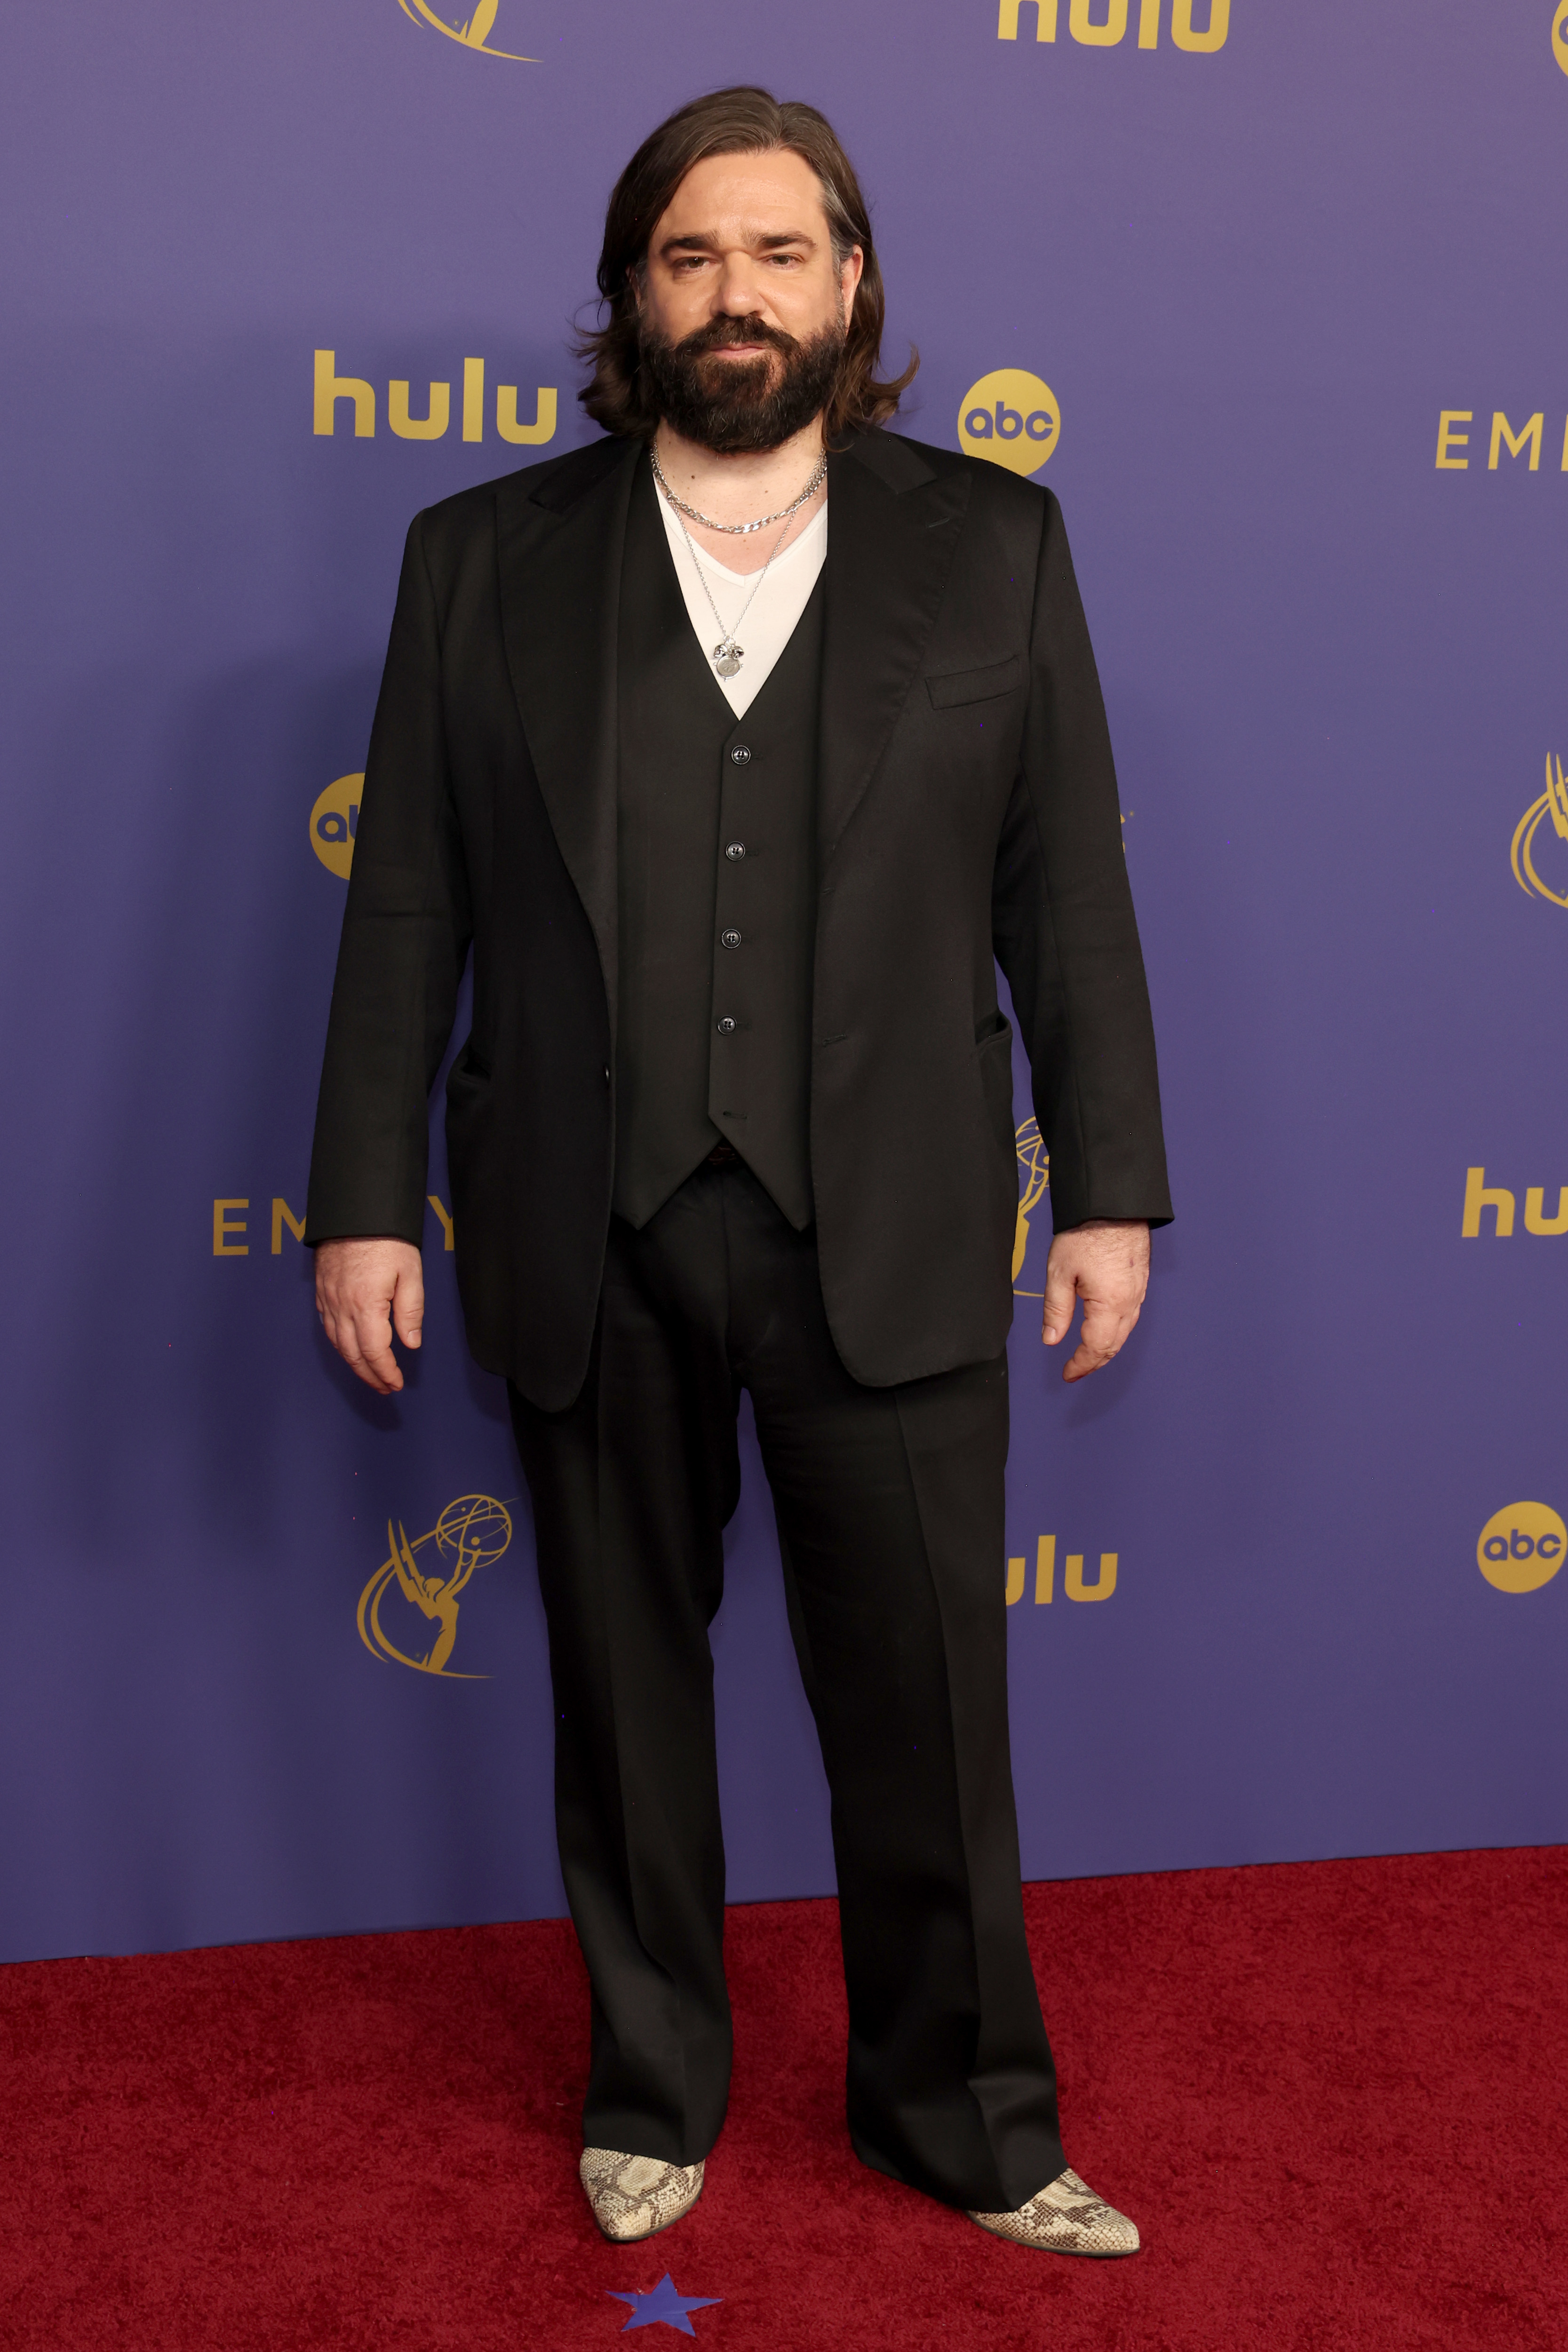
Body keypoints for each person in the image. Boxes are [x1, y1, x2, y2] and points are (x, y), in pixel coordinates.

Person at [306, 86, 1171, 2259]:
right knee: (622, 1688)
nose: (737, 296)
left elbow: (1069, 897)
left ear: (852, 284)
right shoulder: (477, 558)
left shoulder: (997, 544)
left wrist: (1112, 1189)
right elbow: (404, 903)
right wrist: (356, 1195)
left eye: (782, 254)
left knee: (932, 1714)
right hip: (581, 1216)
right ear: (633, 291)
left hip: (882, 1214)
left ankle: (970, 2115)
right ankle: (653, 2081)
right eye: (692, 257)